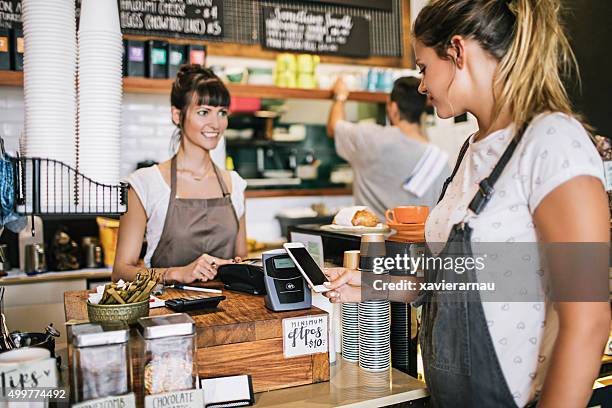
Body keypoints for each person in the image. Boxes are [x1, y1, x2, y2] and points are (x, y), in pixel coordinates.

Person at [323, 1, 610, 407]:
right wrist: (370, 286)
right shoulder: (470, 151)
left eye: (423, 68)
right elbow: (456, 281)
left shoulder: (551, 141)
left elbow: (590, 320)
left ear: (456, 51)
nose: (422, 85)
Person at [113, 65, 248, 284]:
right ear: (177, 115)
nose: (216, 124)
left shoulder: (234, 184)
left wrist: (235, 266)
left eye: (222, 113)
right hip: (166, 313)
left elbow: (243, 260)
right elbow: (121, 271)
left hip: (229, 312)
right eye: (203, 112)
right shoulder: (145, 184)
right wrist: (177, 273)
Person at [326, 76, 449, 220]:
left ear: (394, 108)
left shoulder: (370, 138)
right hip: (419, 242)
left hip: (372, 241)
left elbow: (334, 127)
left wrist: (340, 96)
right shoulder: (439, 160)